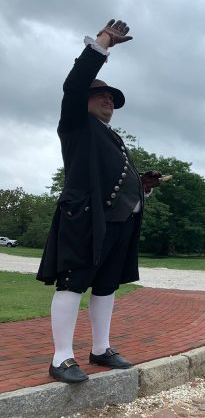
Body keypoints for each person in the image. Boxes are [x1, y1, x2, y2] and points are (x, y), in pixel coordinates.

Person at [36, 19, 162, 383]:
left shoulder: (112, 137)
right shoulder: (76, 123)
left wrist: (144, 186)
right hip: (86, 218)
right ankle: (61, 358)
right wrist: (102, 44)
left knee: (106, 285)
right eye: (102, 96)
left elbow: (116, 180)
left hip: (119, 222)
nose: (109, 101)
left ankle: (100, 349)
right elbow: (74, 85)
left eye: (113, 100)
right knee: (73, 283)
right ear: (85, 100)